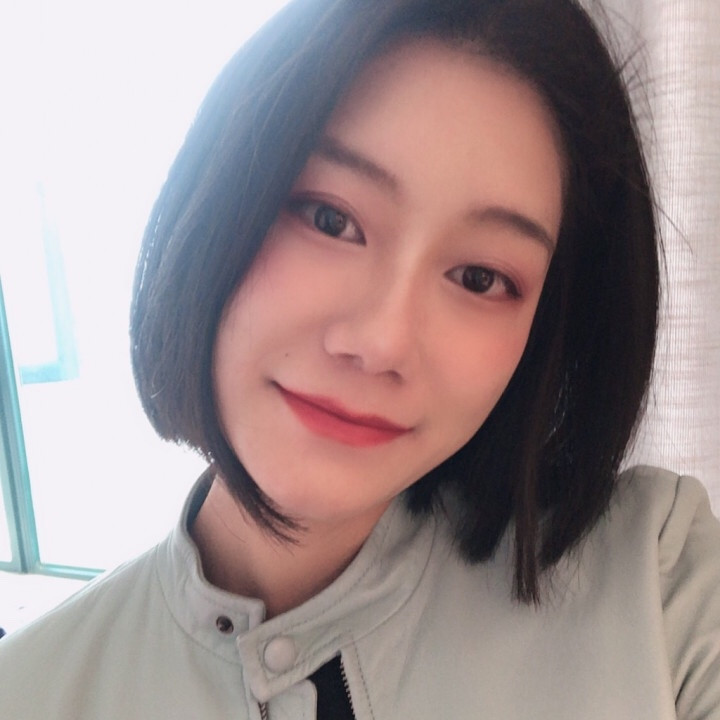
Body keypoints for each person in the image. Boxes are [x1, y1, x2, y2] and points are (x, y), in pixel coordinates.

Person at [1, 0, 718, 717]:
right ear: (217, 204)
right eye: (329, 219)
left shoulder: (659, 584)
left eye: (479, 278)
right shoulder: (27, 689)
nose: (382, 343)